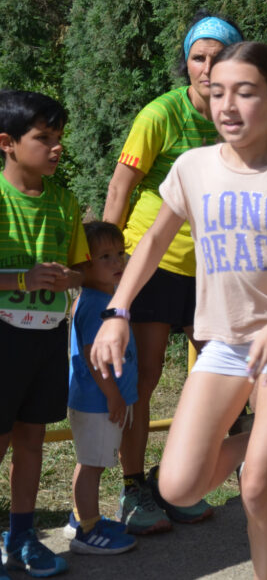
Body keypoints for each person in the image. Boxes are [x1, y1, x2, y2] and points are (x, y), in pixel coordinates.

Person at [90, 41, 267, 580]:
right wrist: (117, 312)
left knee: (256, 487)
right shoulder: (193, 167)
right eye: (218, 91)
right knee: (178, 487)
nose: (227, 105)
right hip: (225, 344)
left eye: (245, 93)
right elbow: (153, 243)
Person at [102, 9, 243, 533]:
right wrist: (104, 266)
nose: (206, 67)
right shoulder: (160, 113)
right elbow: (120, 188)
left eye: (217, 58)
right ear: (186, 63)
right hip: (154, 262)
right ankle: (133, 487)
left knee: (223, 380)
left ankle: (175, 482)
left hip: (215, 270)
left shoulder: (241, 117)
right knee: (146, 376)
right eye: (198, 57)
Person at [0, 90, 89, 578]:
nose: (56, 147)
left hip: (48, 336)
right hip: (4, 338)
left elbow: (82, 269)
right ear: (7, 143)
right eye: (44, 137)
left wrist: (68, 278)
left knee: (32, 438)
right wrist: (23, 279)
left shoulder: (65, 201)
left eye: (59, 137)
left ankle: (22, 537)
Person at [65, 221, 138, 555]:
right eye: (105, 256)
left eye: (119, 253)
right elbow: (95, 359)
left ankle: (82, 517)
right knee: (91, 465)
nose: (117, 261)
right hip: (99, 402)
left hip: (102, 400)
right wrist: (113, 396)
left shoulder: (102, 298)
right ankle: (88, 530)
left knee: (90, 461)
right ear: (83, 266)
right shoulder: (95, 305)